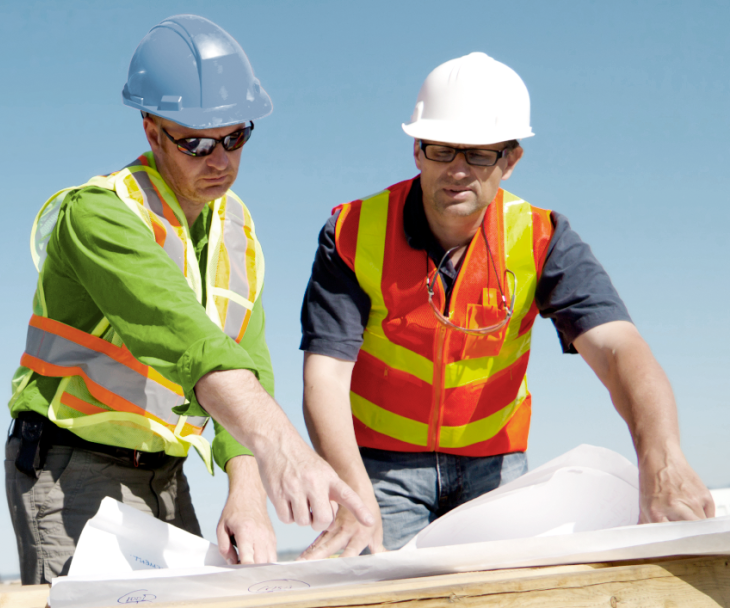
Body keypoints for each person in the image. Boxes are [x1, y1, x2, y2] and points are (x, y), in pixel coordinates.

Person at [299, 52, 714, 558]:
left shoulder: (544, 238)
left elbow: (618, 348)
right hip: (379, 468)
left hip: (494, 467)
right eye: (441, 149)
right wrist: (351, 490)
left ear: (510, 160)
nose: (456, 170)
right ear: (416, 150)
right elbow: (325, 375)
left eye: (478, 154)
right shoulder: (351, 232)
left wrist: (663, 459)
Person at [5, 14, 371, 584]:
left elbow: (245, 358)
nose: (219, 159)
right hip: (70, 466)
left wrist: (246, 487)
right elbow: (190, 342)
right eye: (196, 142)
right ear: (152, 132)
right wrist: (284, 449)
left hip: (165, 474)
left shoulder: (234, 225)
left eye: (234, 137)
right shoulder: (99, 215)